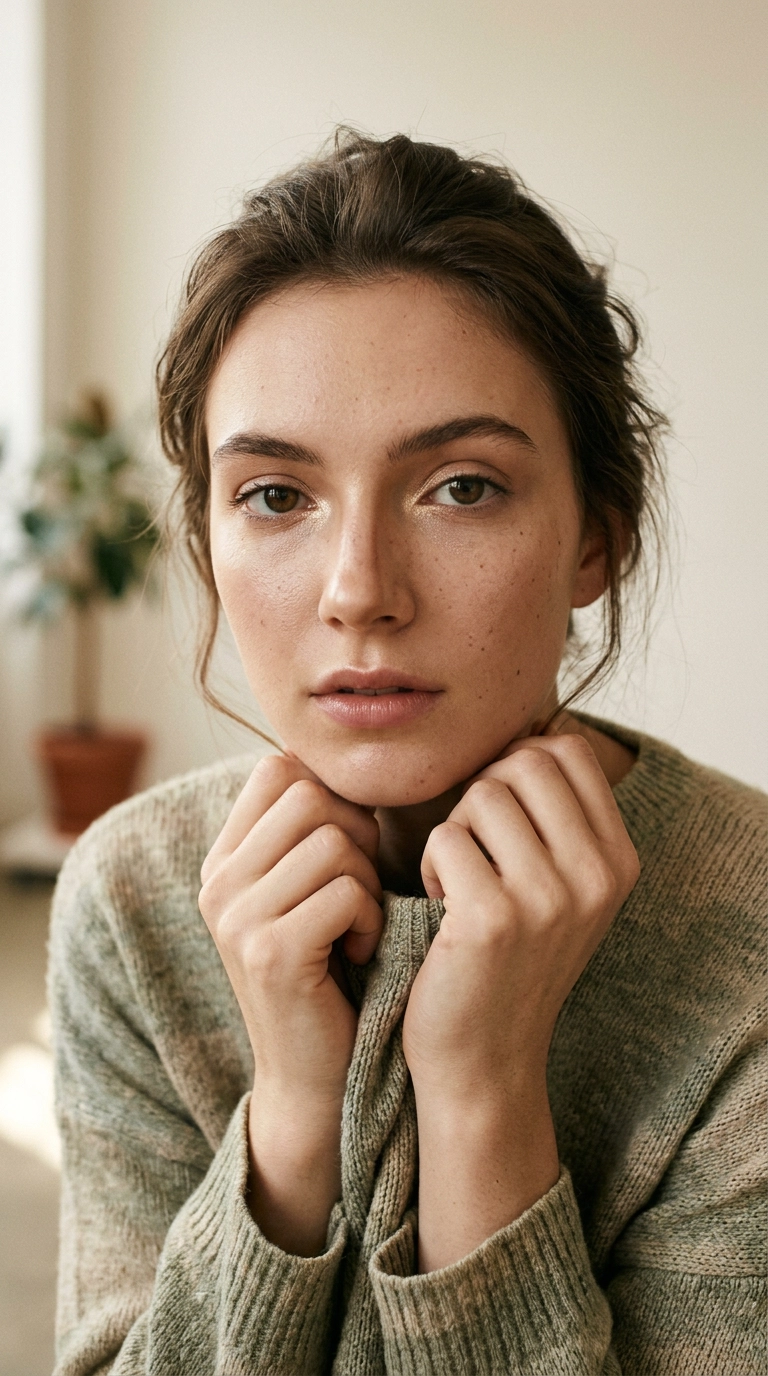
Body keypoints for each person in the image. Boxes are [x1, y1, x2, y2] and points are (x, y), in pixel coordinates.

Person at [50, 131, 766, 1375]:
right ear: (211, 538)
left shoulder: (750, 928)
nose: (359, 591)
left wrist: (482, 1088)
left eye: (462, 486)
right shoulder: (130, 901)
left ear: (597, 538)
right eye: (276, 495)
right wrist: (289, 1120)